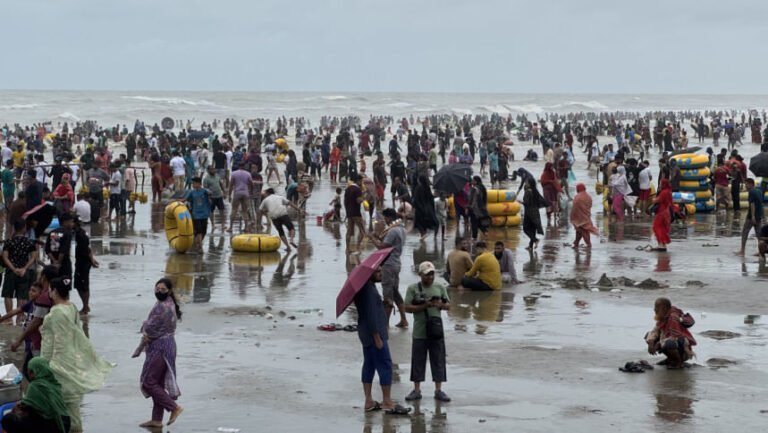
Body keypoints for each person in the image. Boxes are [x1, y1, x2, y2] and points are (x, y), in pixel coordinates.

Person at [41, 277, 114, 433]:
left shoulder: (58, 312)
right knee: (69, 406)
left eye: (50, 289)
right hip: (69, 360)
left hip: (59, 363)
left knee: (65, 406)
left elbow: (61, 342)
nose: (48, 292)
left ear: (54, 291)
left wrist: (52, 366)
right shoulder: (71, 306)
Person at [353, 266, 407, 414]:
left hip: (365, 333)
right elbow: (371, 315)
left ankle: (368, 400)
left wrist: (382, 304)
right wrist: (377, 337)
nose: (381, 273)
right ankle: (387, 401)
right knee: (385, 365)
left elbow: (370, 310)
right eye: (378, 271)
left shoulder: (365, 288)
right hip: (374, 334)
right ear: (369, 274)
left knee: (369, 365)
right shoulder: (369, 291)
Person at [136, 278, 184, 428]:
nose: (159, 291)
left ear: (169, 291)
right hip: (168, 345)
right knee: (158, 383)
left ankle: (174, 407)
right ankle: (156, 419)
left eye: (162, 289)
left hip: (160, 347)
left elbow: (149, 328)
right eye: (157, 289)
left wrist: (144, 326)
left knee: (149, 382)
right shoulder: (169, 303)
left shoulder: (162, 307)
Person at [403, 261, 451, 403]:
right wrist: (424, 305)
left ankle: (438, 389)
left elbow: (448, 305)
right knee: (418, 360)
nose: (430, 277)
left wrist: (440, 305)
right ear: (420, 275)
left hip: (435, 329)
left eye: (432, 274)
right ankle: (416, 390)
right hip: (420, 330)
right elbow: (406, 307)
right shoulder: (413, 288)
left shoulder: (440, 287)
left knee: (438, 359)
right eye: (427, 275)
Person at [0, 357, 71, 433]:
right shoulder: (55, 384)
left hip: (53, 426)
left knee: (9, 419)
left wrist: (15, 409)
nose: (28, 373)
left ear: (33, 372)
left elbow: (25, 408)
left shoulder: (35, 385)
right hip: (65, 423)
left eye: (30, 371)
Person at [368, 208, 408, 328]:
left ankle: (385, 323)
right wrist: (378, 237)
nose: (384, 221)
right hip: (396, 263)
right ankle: (403, 319)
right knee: (395, 292)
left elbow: (382, 248)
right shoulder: (401, 228)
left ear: (389, 217)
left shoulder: (392, 231)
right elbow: (390, 244)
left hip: (389, 265)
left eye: (385, 218)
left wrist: (372, 239)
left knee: (387, 295)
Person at [645, 297, 696, 369]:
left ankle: (678, 361)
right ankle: (671, 359)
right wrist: (651, 342)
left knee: (669, 343)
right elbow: (655, 331)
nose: (654, 309)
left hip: (683, 349)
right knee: (648, 335)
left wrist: (657, 344)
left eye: (657, 307)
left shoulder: (673, 317)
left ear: (664, 308)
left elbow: (674, 336)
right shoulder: (663, 317)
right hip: (670, 343)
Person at [2, 220, 38, 323]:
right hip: (24, 272)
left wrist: (13, 268)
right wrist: (24, 268)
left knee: (8, 294)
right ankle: (19, 317)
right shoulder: (29, 242)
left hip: (10, 272)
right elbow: (33, 257)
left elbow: (5, 257)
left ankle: (9, 318)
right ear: (24, 228)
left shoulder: (9, 242)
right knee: (21, 295)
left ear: (14, 228)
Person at [73, 217, 98, 315]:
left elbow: (86, 250)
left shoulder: (80, 235)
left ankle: (85, 307)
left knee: (82, 285)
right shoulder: (81, 233)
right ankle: (85, 306)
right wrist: (92, 259)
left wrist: (91, 260)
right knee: (80, 285)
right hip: (82, 262)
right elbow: (89, 248)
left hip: (83, 263)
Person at [735, 178, 764, 256]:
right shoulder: (759, 190)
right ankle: (761, 251)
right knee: (759, 234)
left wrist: (753, 216)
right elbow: (761, 203)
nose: (746, 186)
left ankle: (742, 250)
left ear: (751, 184)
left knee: (745, 232)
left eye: (746, 184)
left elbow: (752, 204)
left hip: (751, 216)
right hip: (759, 215)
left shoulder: (751, 192)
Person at [44, 212, 74, 281]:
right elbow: (63, 251)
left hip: (53, 267)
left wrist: (54, 261)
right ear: (65, 222)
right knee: (65, 287)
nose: (72, 224)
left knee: (54, 287)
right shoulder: (67, 233)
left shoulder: (51, 232)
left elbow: (47, 249)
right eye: (71, 222)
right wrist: (59, 263)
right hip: (64, 265)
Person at [569, 183, 599, 248]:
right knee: (579, 230)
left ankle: (588, 244)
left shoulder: (577, 197)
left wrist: (572, 216)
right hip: (586, 216)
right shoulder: (588, 196)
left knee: (583, 230)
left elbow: (574, 207)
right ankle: (576, 243)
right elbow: (589, 205)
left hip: (580, 217)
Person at [522, 178, 549, 250]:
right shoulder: (535, 191)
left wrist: (521, 202)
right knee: (532, 229)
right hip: (535, 213)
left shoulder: (528, 191)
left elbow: (526, 203)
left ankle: (535, 240)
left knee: (526, 228)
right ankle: (530, 246)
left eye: (527, 182)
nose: (525, 184)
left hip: (529, 213)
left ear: (530, 184)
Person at [185, 177, 211, 250]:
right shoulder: (192, 192)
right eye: (192, 183)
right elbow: (185, 199)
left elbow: (209, 191)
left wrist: (209, 194)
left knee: (204, 231)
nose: (192, 184)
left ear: (199, 183)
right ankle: (200, 247)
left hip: (204, 214)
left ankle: (198, 242)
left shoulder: (204, 191)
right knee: (199, 231)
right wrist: (177, 201)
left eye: (194, 183)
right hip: (196, 214)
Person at [651, 179, 675, 252]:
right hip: (666, 212)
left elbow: (659, 200)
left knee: (657, 227)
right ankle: (663, 244)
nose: (660, 185)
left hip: (661, 213)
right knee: (663, 228)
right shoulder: (668, 192)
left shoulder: (664, 192)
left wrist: (654, 200)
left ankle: (661, 245)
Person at [228, 164, 253, 233]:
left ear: (239, 167)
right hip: (245, 193)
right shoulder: (248, 174)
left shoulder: (234, 173)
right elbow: (251, 183)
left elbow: (231, 185)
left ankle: (230, 227)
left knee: (234, 210)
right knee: (245, 211)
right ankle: (246, 227)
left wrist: (229, 195)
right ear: (244, 167)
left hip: (237, 193)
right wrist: (251, 192)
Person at [413, 176, 439, 240]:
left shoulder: (418, 188)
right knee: (425, 221)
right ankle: (424, 234)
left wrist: (414, 207)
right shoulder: (427, 187)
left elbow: (416, 199)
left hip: (420, 208)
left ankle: (423, 233)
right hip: (428, 208)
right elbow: (431, 198)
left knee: (418, 222)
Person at [344, 174, 367, 250]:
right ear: (358, 181)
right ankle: (357, 247)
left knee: (349, 231)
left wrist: (347, 212)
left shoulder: (348, 189)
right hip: (356, 213)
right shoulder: (357, 189)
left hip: (349, 213)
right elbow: (358, 201)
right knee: (362, 231)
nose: (362, 183)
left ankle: (347, 248)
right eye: (361, 181)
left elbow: (345, 202)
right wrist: (363, 197)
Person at [203, 165, 227, 231]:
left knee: (221, 210)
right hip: (211, 197)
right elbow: (205, 189)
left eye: (213, 169)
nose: (213, 170)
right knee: (211, 211)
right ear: (208, 170)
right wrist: (208, 198)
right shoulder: (206, 179)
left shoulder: (217, 176)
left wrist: (224, 192)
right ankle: (213, 224)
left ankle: (223, 224)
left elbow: (221, 184)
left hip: (219, 195)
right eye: (211, 169)